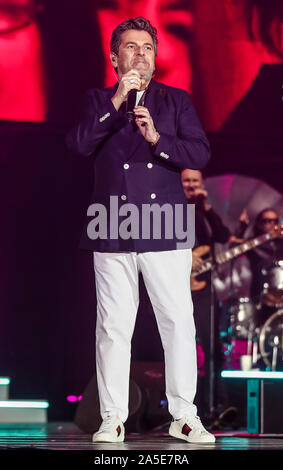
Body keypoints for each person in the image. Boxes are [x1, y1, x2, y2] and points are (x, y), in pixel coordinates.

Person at [67, 17, 215, 443]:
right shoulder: (98, 100)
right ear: (115, 58)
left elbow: (200, 152)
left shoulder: (175, 101)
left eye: (147, 47)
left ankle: (184, 415)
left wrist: (157, 138)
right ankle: (112, 416)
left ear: (155, 56)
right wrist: (115, 101)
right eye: (131, 47)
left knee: (177, 322)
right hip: (112, 222)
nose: (141, 54)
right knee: (113, 325)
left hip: (165, 223)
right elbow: (78, 144)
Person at [181, 168, 232, 422]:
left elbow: (223, 236)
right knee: (184, 343)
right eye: (187, 180)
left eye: (195, 181)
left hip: (204, 287)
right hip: (178, 284)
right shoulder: (173, 208)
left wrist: (208, 207)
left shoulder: (204, 210)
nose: (191, 185)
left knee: (212, 345)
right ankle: (184, 404)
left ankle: (214, 403)